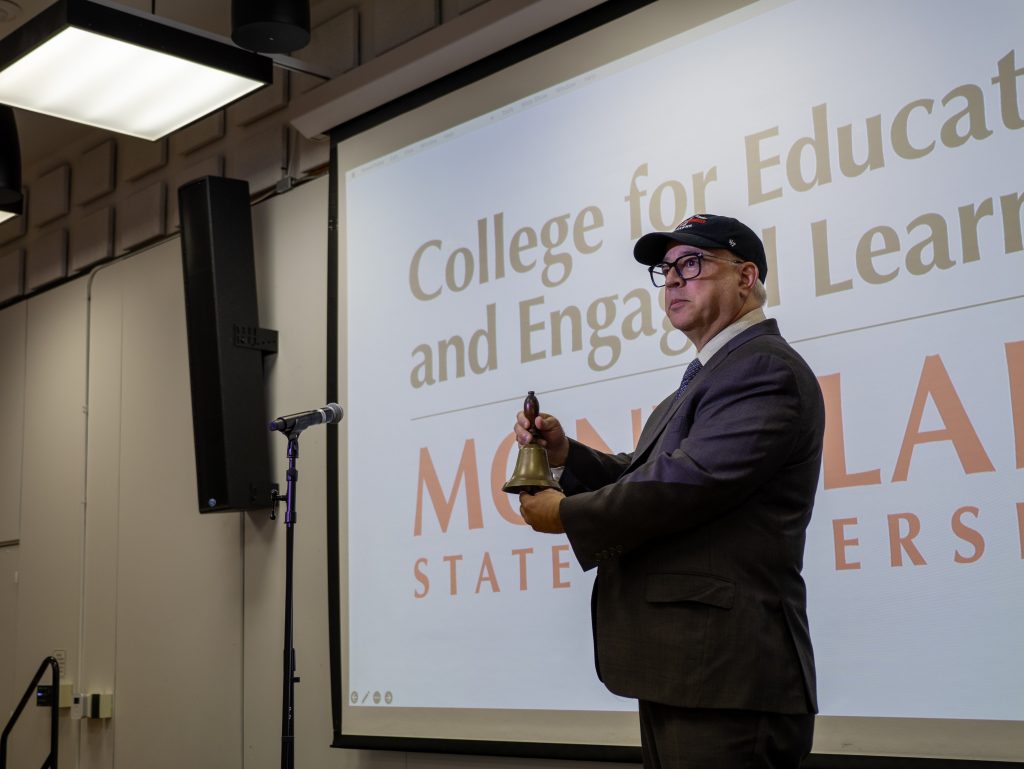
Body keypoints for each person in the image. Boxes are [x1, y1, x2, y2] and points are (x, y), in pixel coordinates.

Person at [514, 213, 825, 769]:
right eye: (667, 269)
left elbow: (686, 483)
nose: (675, 280)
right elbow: (647, 472)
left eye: (693, 263)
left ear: (746, 276)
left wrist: (567, 513)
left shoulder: (763, 370)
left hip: (728, 677)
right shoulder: (708, 377)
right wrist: (566, 457)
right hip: (689, 671)